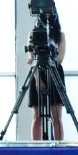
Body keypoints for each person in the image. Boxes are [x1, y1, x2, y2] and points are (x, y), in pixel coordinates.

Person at [27, 12, 66, 141]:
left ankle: (59, 148)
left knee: (57, 117)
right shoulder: (33, 34)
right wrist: (38, 79)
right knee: (36, 116)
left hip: (55, 72)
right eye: (45, 13)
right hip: (37, 71)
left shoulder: (60, 35)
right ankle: (36, 148)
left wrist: (48, 53)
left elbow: (60, 58)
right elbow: (31, 59)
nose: (48, 15)